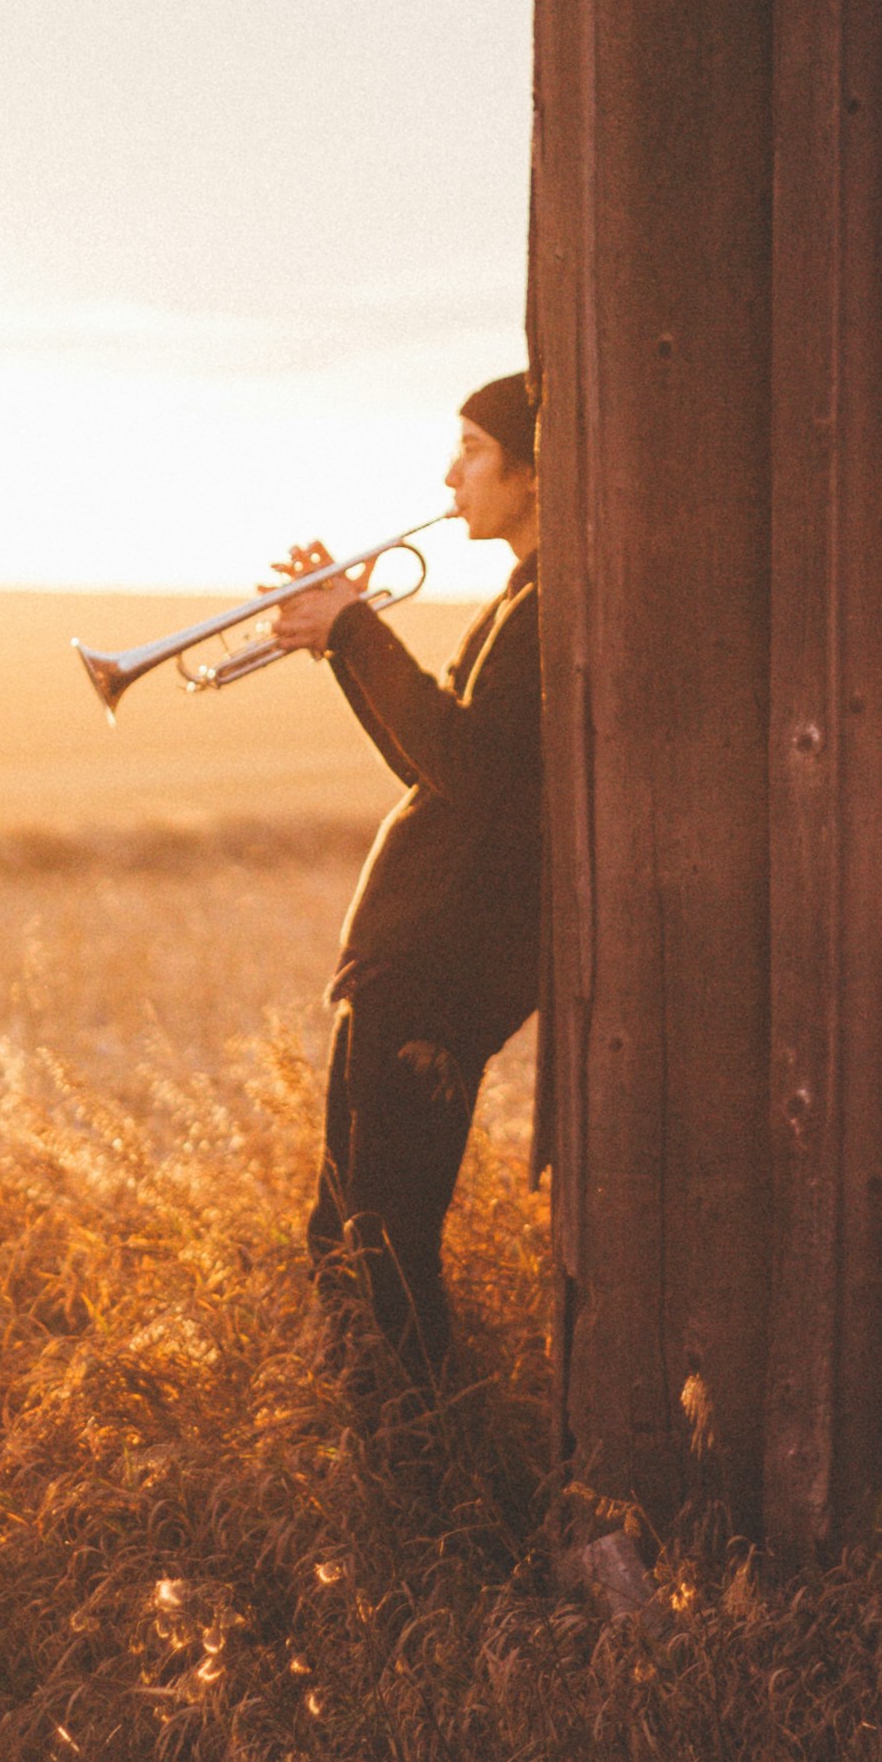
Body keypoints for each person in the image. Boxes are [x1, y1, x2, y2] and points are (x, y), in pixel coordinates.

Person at [265, 369, 545, 1415]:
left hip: (439, 969)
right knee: (343, 1237)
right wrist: (339, 643)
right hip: (413, 963)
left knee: (377, 1247)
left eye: (472, 448)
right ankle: (394, 1460)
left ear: (535, 468)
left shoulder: (548, 604)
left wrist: (355, 630)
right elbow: (435, 768)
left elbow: (467, 769)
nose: (450, 473)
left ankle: (426, 1473)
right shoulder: (522, 598)